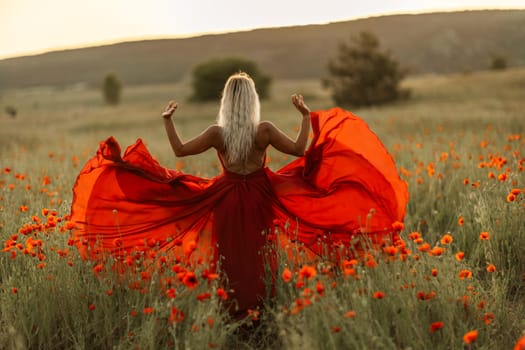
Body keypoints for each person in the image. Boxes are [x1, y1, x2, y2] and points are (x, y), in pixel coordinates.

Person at [70, 72, 408, 317]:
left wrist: (167, 120)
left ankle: (231, 310)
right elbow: (299, 149)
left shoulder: (219, 133)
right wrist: (305, 117)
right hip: (261, 197)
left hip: (227, 199)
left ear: (226, 102)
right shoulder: (264, 130)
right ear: (253, 101)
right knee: (260, 254)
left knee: (228, 258)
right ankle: (262, 310)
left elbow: (180, 150)